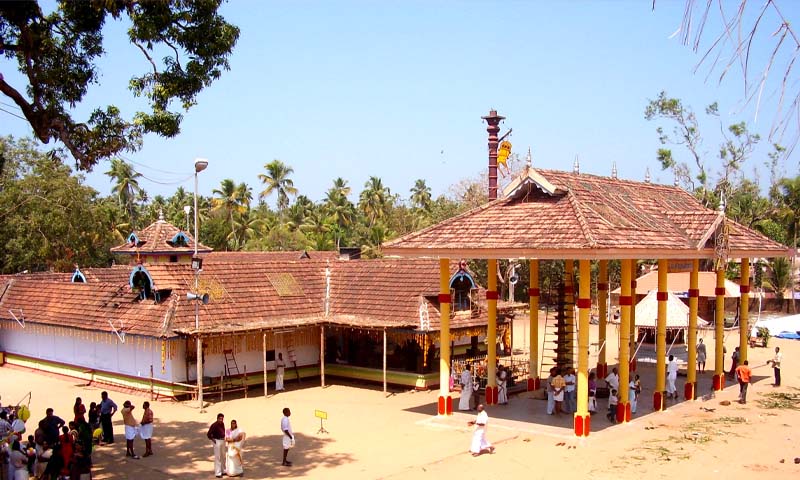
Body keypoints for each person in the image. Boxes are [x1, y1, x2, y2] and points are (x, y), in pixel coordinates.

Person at [207, 413, 226, 478]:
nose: (221, 420)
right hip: (217, 441)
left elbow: (224, 431)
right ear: (217, 418)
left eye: (222, 419)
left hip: (223, 440)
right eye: (220, 418)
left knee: (223, 455)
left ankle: (223, 470)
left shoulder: (222, 424)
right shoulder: (214, 425)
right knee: (218, 457)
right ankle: (218, 473)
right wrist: (213, 439)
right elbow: (209, 434)